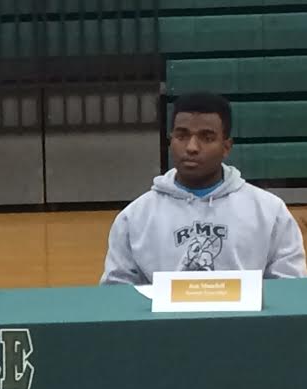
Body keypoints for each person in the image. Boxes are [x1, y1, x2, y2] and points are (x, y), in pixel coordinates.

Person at [101, 92, 305, 285]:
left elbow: (289, 288)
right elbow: (118, 293)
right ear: (171, 141)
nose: (192, 147)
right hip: (164, 323)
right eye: (182, 136)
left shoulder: (269, 211)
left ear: (226, 147)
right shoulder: (135, 216)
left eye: (206, 138)